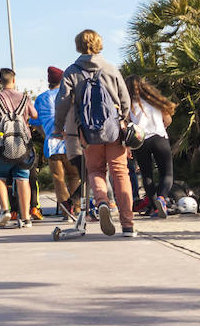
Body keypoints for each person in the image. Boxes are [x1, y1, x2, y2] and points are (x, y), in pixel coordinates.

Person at [54, 29, 136, 237]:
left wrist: (58, 127)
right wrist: (124, 120)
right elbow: (125, 99)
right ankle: (128, 225)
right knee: (120, 173)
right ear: (99, 44)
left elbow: (62, 102)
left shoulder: (72, 71)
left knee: (95, 171)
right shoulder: (110, 68)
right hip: (114, 129)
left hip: (89, 132)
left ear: (78, 46)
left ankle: (102, 202)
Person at [0, 68, 38, 228]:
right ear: (14, 80)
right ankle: (26, 218)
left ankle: (5, 210)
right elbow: (34, 115)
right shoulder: (25, 98)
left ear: (0, 82)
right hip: (23, 147)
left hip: (1, 146)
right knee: (23, 179)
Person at [31, 66, 80, 220]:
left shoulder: (40, 98)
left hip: (52, 144)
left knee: (58, 178)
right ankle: (76, 207)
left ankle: (66, 210)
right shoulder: (70, 95)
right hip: (71, 141)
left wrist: (45, 133)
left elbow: (35, 122)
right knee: (75, 175)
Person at [126, 75, 177, 218]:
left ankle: (155, 207)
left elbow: (127, 124)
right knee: (167, 173)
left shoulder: (129, 104)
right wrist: (160, 125)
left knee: (147, 175)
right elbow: (168, 120)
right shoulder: (155, 101)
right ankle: (162, 198)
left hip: (140, 141)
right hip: (159, 137)